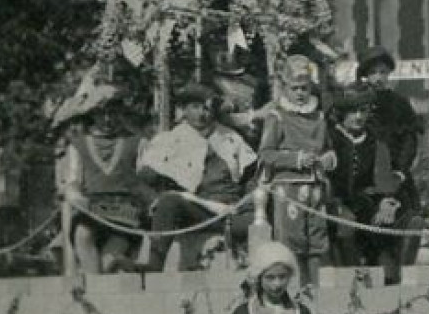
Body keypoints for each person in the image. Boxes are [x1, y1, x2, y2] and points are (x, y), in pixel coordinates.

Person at [137, 82, 258, 272]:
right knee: (170, 201)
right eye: (195, 107)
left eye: (207, 108)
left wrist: (248, 203)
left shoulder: (231, 138)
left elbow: (251, 177)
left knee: (258, 221)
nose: (202, 114)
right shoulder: (170, 140)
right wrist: (155, 198)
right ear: (184, 109)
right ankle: (154, 265)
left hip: (230, 213)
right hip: (195, 212)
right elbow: (145, 179)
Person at [255, 55, 335, 289]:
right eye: (295, 88)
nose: (300, 93)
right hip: (288, 187)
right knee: (292, 241)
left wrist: (330, 157)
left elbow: (328, 146)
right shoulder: (277, 116)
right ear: (286, 87)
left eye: (305, 88)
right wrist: (296, 159)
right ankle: (293, 291)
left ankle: (315, 293)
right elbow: (266, 154)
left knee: (316, 242)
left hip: (316, 187)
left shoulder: (319, 116)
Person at [55, 84, 152, 274]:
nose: (108, 119)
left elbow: (145, 180)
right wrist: (74, 195)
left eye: (113, 113)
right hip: (92, 210)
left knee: (110, 261)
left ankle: (100, 288)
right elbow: (73, 180)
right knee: (83, 235)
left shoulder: (137, 143)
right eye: (102, 114)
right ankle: (96, 292)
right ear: (93, 115)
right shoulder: (78, 145)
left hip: (126, 213)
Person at [326, 83, 407, 282]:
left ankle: (387, 281)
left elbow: (383, 178)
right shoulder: (330, 138)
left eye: (362, 111)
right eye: (353, 112)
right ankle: (350, 280)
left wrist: (385, 202)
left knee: (383, 225)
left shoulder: (374, 141)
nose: (359, 117)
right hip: (332, 202)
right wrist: (334, 203)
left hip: (364, 201)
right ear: (342, 113)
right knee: (345, 226)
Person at [356, 47, 423, 268]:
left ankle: (400, 269)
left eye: (383, 72)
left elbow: (409, 142)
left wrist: (400, 171)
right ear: (365, 74)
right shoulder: (356, 103)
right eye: (374, 72)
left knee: (405, 219)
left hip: (395, 178)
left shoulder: (399, 104)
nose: (379, 78)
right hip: (364, 180)